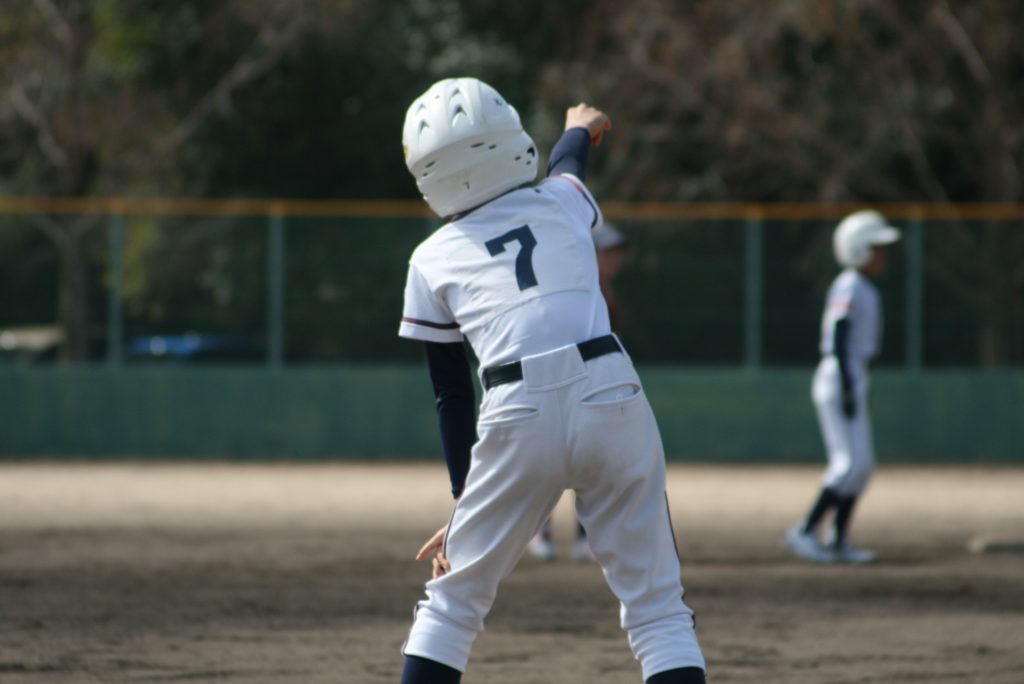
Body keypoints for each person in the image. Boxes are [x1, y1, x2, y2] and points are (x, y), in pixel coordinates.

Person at [397, 77, 706, 684]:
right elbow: (569, 161)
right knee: (658, 610)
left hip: (516, 408)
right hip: (609, 388)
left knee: (452, 604)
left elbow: (451, 394)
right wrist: (579, 126)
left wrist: (464, 502)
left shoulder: (430, 258)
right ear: (509, 137)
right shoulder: (560, 201)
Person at [783, 210, 901, 564]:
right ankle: (805, 531)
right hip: (840, 374)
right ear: (858, 249)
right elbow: (839, 332)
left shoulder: (863, 287)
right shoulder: (850, 284)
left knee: (861, 466)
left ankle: (838, 539)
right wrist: (849, 385)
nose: (883, 256)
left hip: (851, 373)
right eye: (876, 248)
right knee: (848, 464)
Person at [528, 221, 629, 562]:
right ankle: (541, 531)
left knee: (591, 461)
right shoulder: (568, 288)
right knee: (548, 461)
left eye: (616, 252)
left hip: (592, 385)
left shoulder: (606, 292)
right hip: (555, 385)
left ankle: (587, 535)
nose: (613, 259)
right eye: (606, 252)